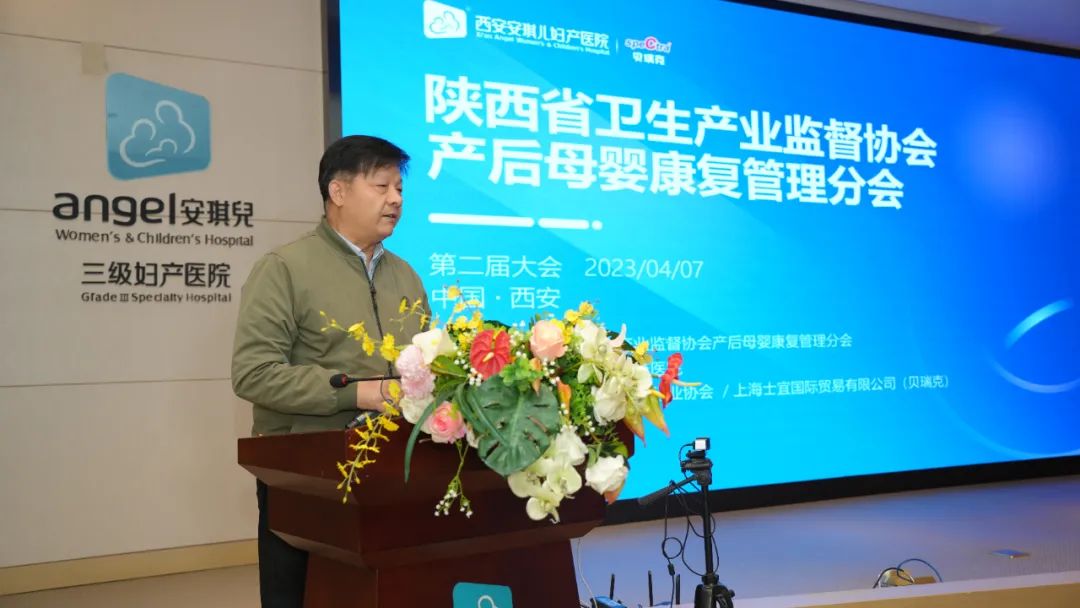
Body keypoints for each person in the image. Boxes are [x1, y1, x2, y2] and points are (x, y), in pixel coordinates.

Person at [231, 135, 428, 607]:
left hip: (394, 473)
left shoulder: (406, 275)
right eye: (381, 186)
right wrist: (357, 394)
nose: (396, 199)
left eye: (400, 188)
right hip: (308, 478)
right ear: (338, 192)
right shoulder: (285, 268)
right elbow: (253, 373)